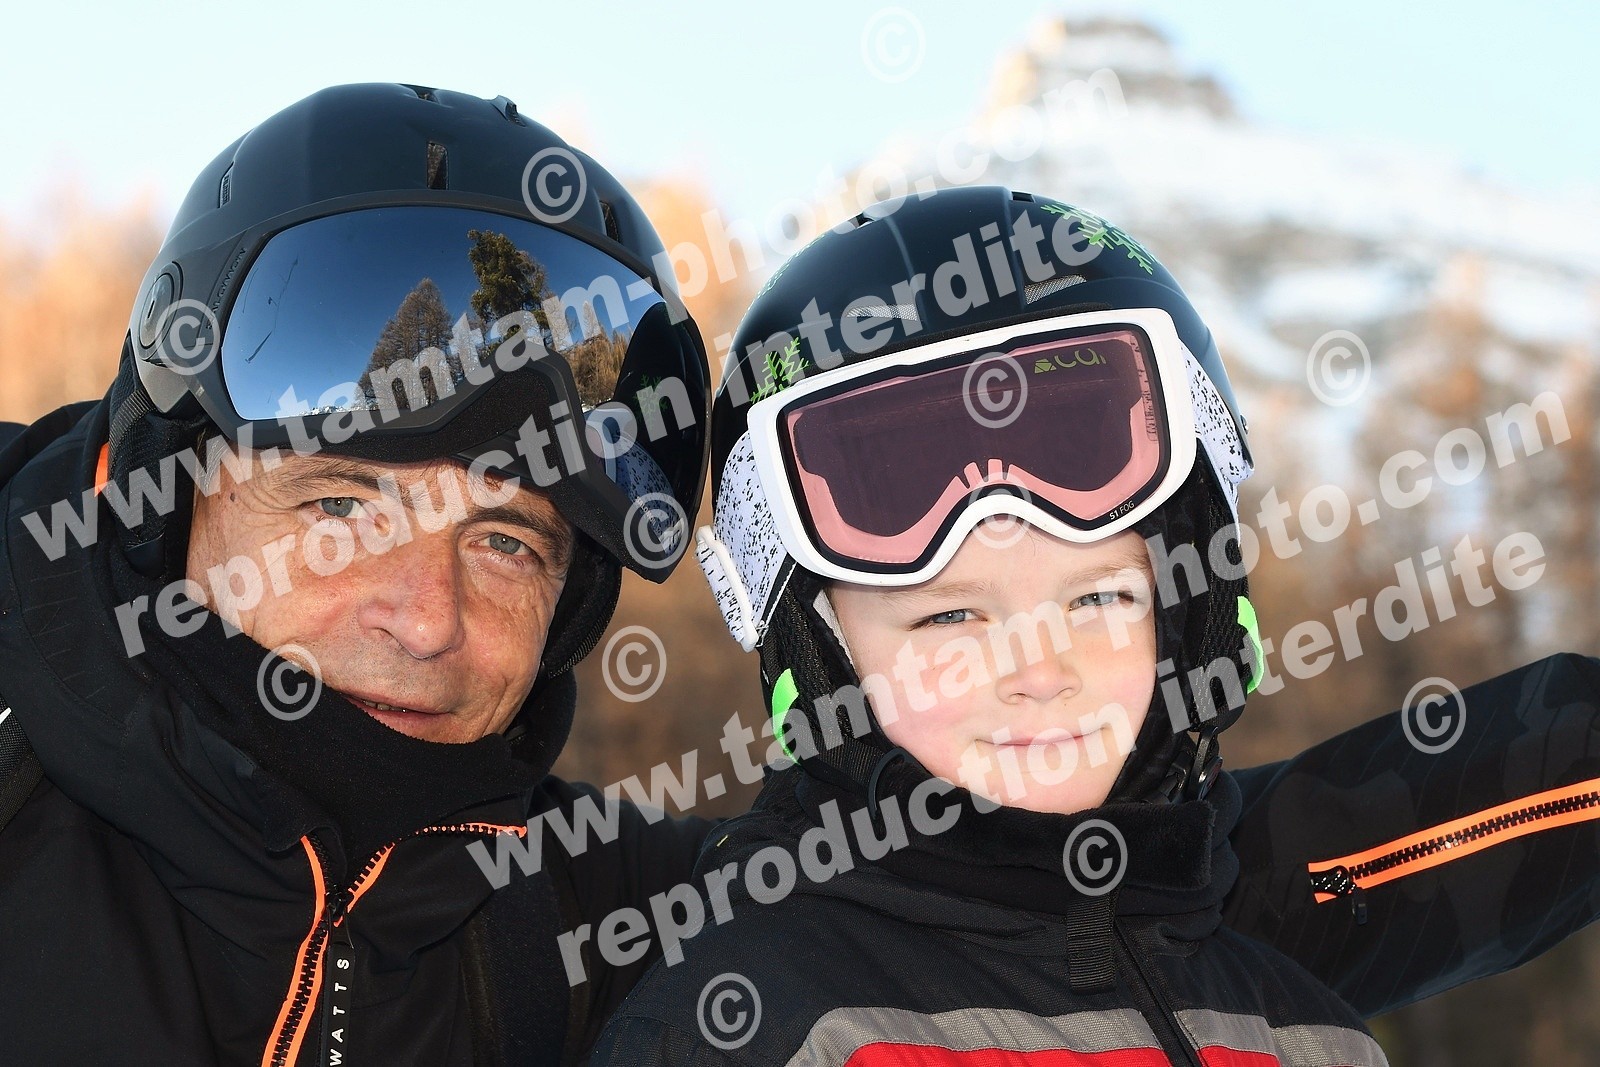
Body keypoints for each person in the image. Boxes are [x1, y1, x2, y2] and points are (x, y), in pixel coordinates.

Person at [590, 185, 1600, 1063]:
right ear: (821, 655)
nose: (1040, 670)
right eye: (949, 615)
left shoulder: (1301, 1025)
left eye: (1097, 597)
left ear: (1192, 613)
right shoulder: (752, 1025)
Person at [0, 82, 717, 1065]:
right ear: (163, 496)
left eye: (504, 542)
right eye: (340, 507)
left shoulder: (614, 920)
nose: (426, 621)